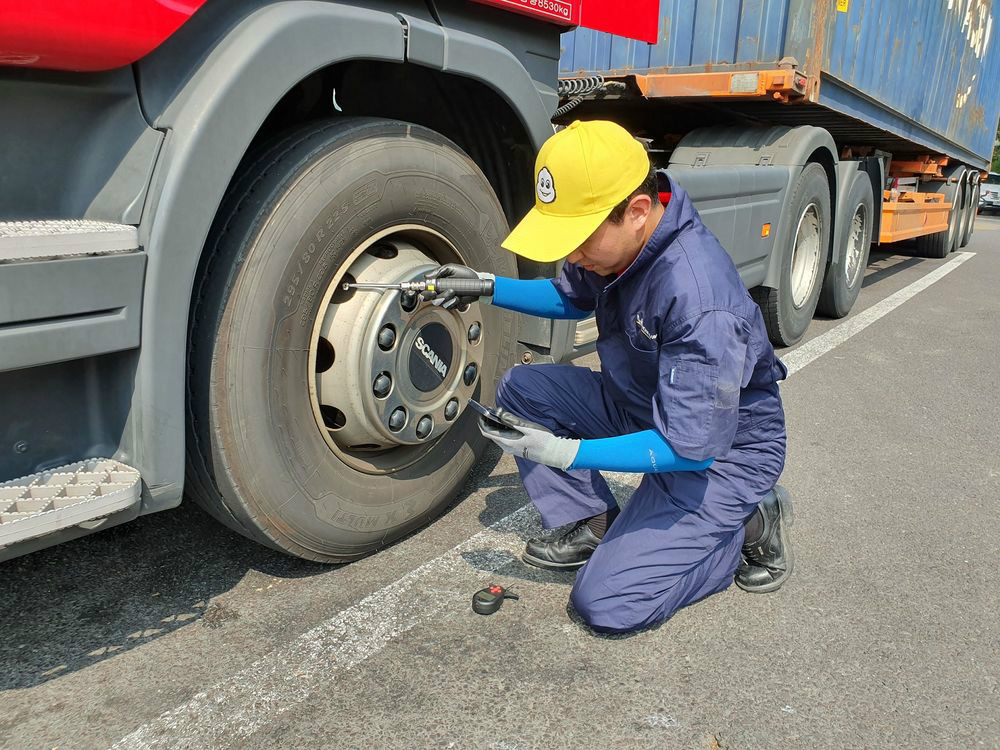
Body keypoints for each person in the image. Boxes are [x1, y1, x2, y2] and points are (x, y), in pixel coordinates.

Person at [421, 120, 792, 634]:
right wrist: (484, 285)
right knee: (522, 391)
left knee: (608, 603)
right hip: (646, 403)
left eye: (578, 238)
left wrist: (566, 453)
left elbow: (692, 447)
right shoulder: (619, 246)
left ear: (638, 212)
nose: (571, 255)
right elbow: (570, 298)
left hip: (721, 451)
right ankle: (596, 523)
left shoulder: (698, 297)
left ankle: (742, 526)